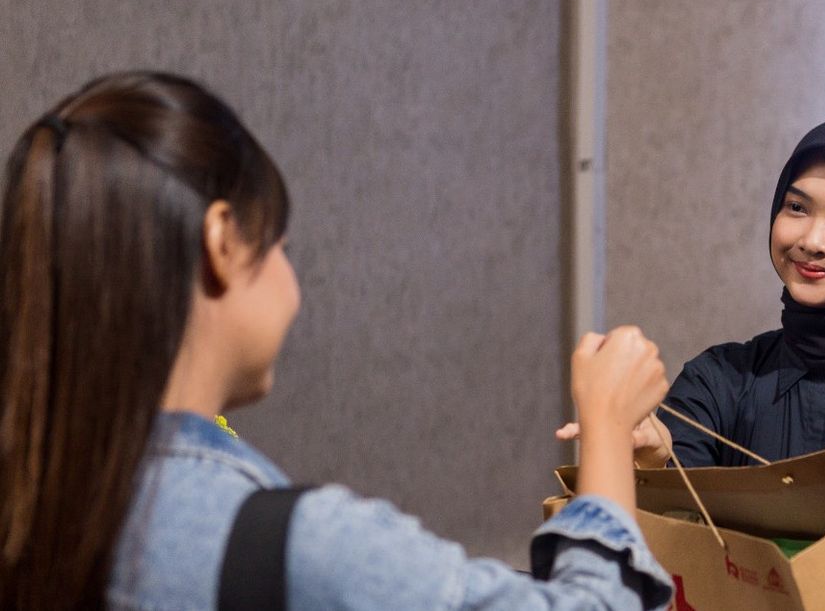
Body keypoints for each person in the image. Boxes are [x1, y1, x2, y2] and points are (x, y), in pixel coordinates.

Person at [0, 71, 673, 609]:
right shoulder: (300, 545)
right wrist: (606, 427)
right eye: (282, 245)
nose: (293, 281)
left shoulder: (34, 501)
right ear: (223, 240)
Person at [558, 115, 825, 609]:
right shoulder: (718, 379)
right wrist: (648, 461)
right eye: (796, 208)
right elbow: (666, 563)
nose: (812, 240)